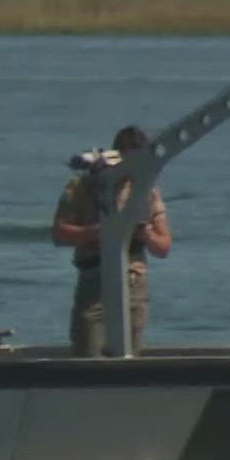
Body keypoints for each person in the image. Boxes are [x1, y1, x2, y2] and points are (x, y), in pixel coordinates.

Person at [52, 125, 172, 357]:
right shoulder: (81, 188)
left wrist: (142, 231)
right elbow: (60, 233)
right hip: (94, 276)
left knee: (132, 351)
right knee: (89, 347)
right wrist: (101, 231)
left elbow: (163, 246)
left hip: (133, 279)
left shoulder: (146, 191)